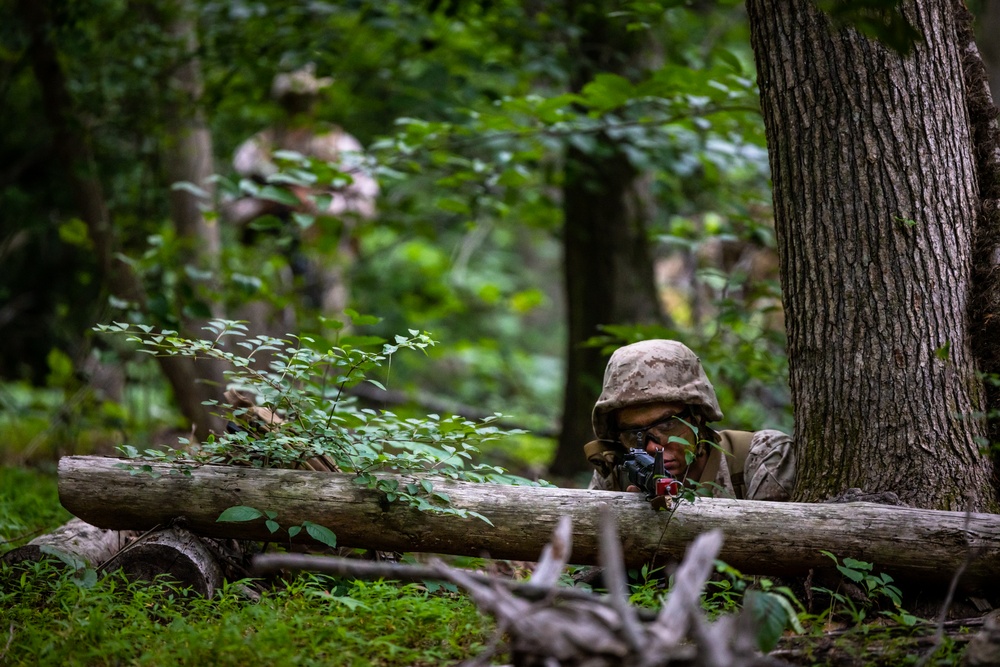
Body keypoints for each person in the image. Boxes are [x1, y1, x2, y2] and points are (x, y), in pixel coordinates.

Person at [225, 63, 378, 320]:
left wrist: (316, 204)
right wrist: (269, 203)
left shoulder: (341, 146)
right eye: (295, 99)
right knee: (261, 340)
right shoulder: (255, 149)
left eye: (308, 99)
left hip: (325, 257)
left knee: (328, 336)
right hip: (266, 259)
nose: (302, 106)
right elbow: (229, 205)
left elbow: (366, 206)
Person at [583, 339, 795, 501]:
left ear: (698, 416)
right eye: (633, 433)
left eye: (667, 424)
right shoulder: (615, 474)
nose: (651, 447)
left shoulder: (761, 457)